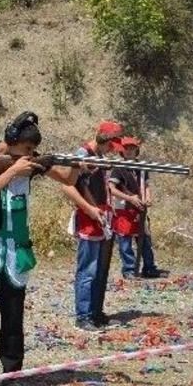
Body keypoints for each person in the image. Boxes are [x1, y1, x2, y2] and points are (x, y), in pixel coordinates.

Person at [0, 111, 82, 380]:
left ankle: (12, 377)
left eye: (32, 150)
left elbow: (68, 179)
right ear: (11, 140)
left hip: (15, 252)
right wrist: (13, 171)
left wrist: (78, 165)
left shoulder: (30, 161)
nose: (30, 154)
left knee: (13, 322)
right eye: (27, 149)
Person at [61, 121, 123, 331]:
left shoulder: (100, 157)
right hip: (90, 217)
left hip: (102, 216)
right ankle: (83, 316)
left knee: (101, 270)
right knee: (88, 269)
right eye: (111, 144)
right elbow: (71, 186)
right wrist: (90, 208)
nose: (112, 149)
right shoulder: (83, 154)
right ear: (103, 139)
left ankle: (96, 312)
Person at [108, 137, 168, 279]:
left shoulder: (141, 167)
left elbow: (145, 185)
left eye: (132, 148)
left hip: (139, 208)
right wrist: (129, 198)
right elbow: (111, 189)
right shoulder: (118, 168)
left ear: (136, 150)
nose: (129, 151)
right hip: (124, 209)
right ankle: (129, 269)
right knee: (125, 240)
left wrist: (148, 197)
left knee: (145, 239)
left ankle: (149, 268)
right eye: (126, 148)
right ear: (122, 151)